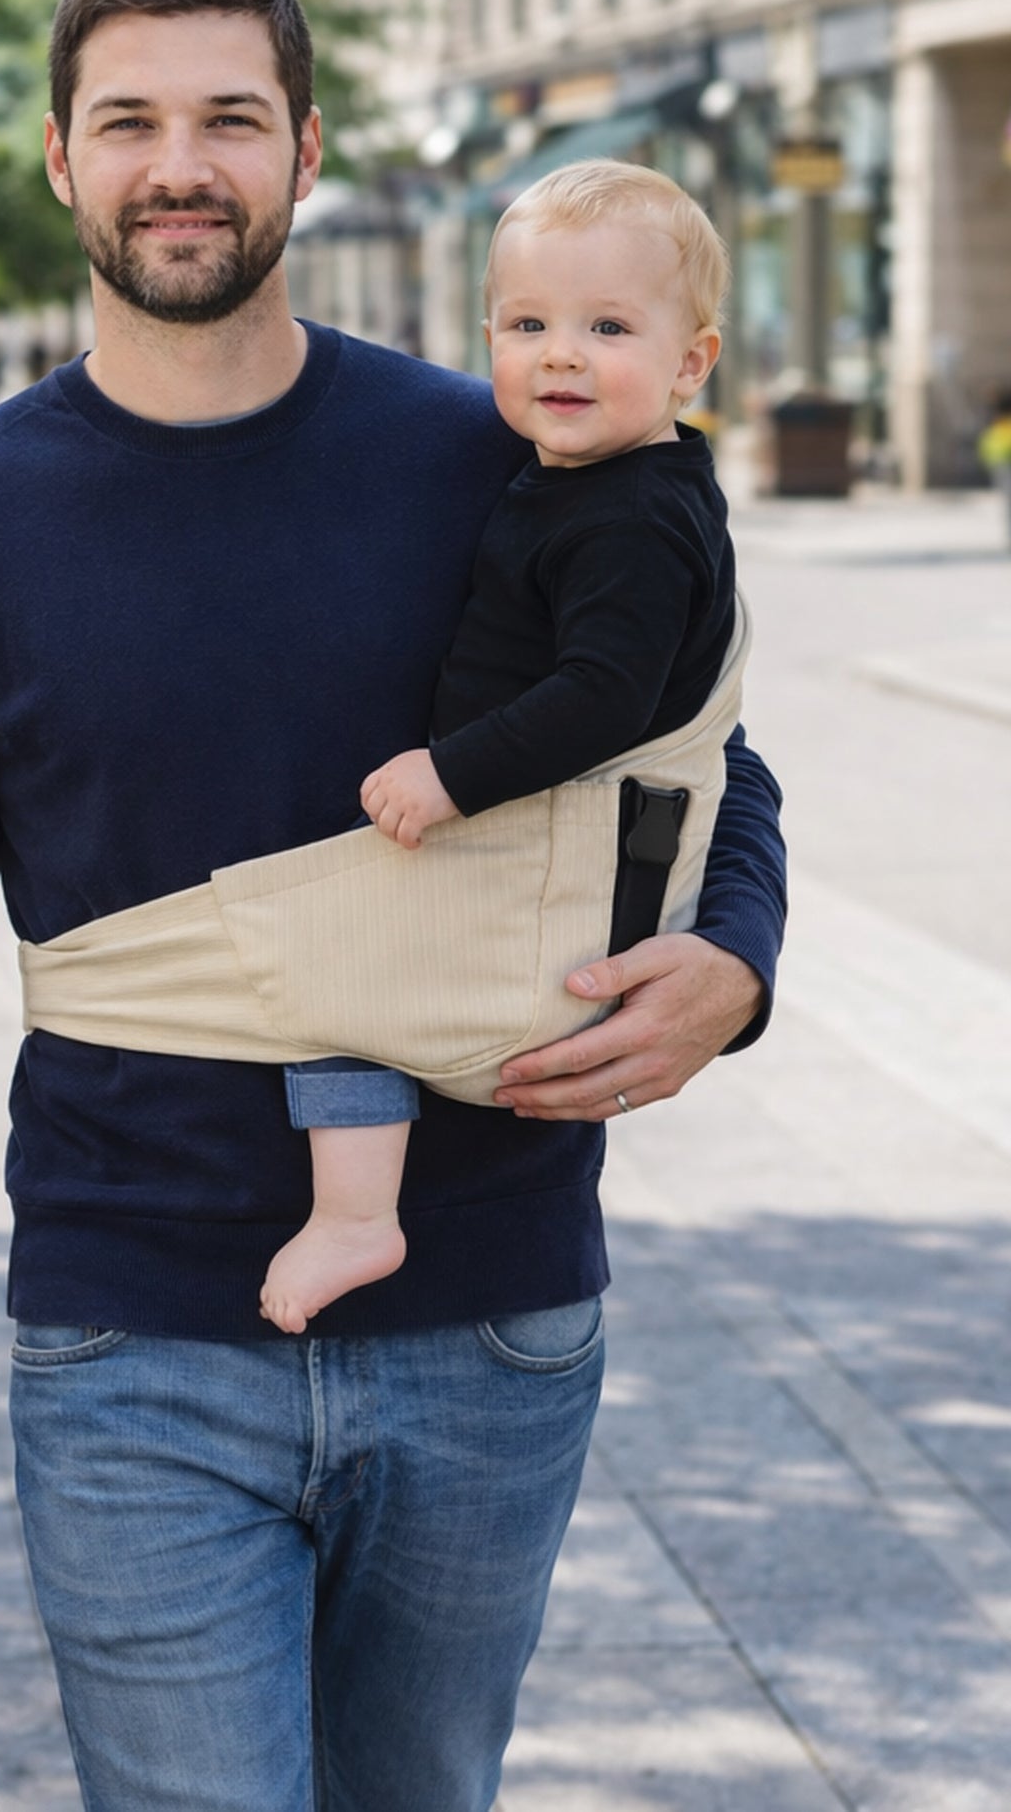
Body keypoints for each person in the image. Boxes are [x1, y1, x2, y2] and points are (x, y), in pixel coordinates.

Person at [0, 0, 786, 1812]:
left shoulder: (493, 448)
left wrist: (736, 957)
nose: (181, 162)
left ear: (303, 151)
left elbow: (688, 745)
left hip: (489, 1299)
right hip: (129, 1319)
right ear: (60, 158)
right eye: (129, 119)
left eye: (230, 117)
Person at [260, 158, 735, 1334]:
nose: (559, 352)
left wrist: (451, 771)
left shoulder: (631, 513)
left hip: (523, 851)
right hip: (513, 846)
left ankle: (358, 1213)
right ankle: (360, 1210)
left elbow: (608, 694)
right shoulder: (575, 476)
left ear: (691, 362)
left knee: (344, 984)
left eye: (605, 326)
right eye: (527, 324)